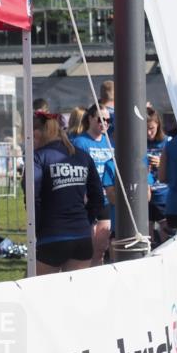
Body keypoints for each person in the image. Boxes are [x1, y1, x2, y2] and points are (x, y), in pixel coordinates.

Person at [32, 110, 103, 274]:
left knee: (41, 293)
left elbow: (33, 197)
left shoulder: (38, 157)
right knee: (74, 295)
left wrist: (37, 228)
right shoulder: (83, 156)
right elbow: (98, 197)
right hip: (82, 237)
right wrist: (86, 220)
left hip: (51, 236)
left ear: (38, 134)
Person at [71, 104, 114, 266]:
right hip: (86, 199)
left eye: (108, 120)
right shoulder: (79, 142)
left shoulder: (110, 142)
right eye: (100, 119)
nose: (105, 123)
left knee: (101, 247)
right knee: (86, 248)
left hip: (105, 199)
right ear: (90, 118)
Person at [147, 108, 170, 243]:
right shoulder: (139, 142)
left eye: (152, 128)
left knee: (166, 235)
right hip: (145, 195)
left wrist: (162, 163)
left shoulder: (168, 142)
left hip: (163, 194)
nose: (149, 133)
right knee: (146, 235)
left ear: (158, 125)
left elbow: (176, 167)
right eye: (145, 129)